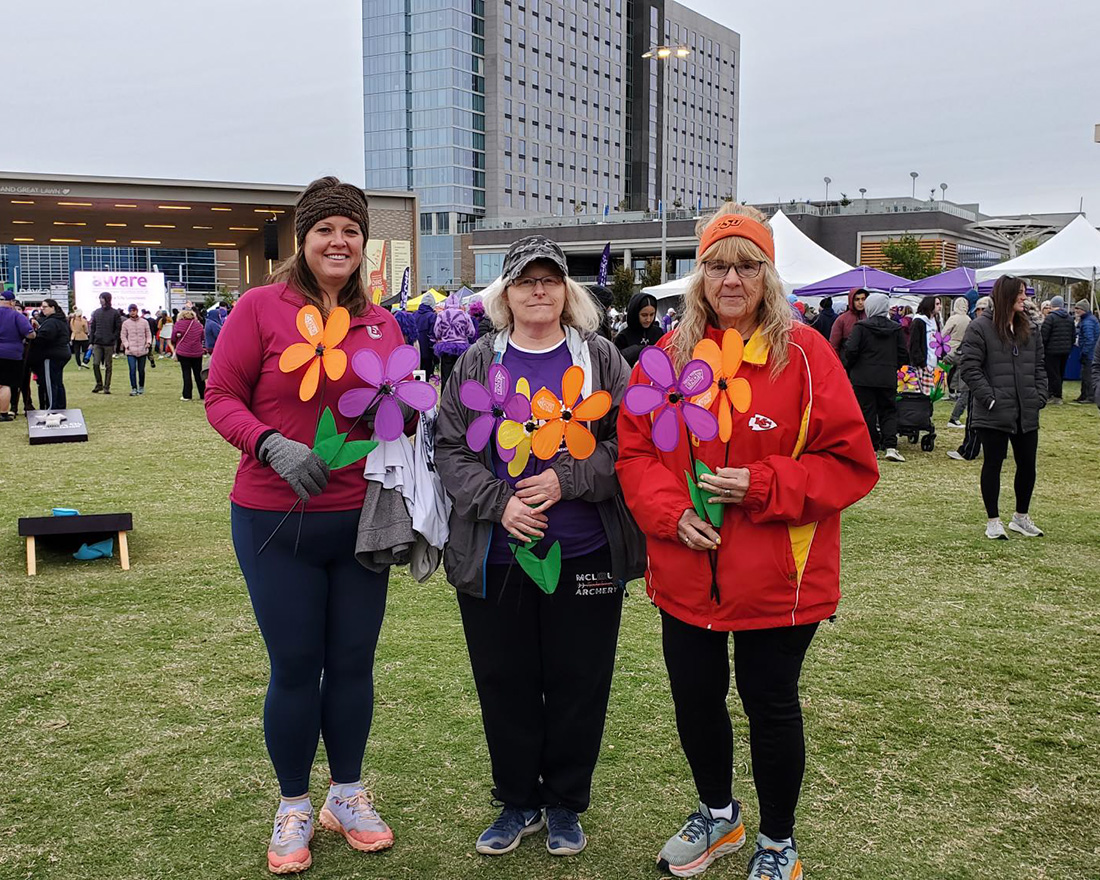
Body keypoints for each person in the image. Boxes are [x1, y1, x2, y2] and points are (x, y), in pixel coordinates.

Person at [617, 205, 878, 880]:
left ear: (768, 275)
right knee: (695, 698)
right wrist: (671, 513)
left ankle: (778, 842)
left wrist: (762, 484)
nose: (731, 279)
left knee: (771, 704)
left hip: (778, 576)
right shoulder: (665, 359)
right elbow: (636, 456)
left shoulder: (806, 356)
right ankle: (718, 816)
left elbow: (851, 463)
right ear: (698, 275)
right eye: (717, 265)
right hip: (687, 568)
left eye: (746, 265)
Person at [206, 176, 406, 874]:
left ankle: (345, 794)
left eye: (351, 229)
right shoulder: (261, 309)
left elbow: (391, 412)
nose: (339, 241)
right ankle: (293, 803)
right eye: (326, 228)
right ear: (303, 237)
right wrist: (268, 443)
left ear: (363, 242)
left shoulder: (381, 322)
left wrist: (409, 407)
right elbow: (220, 396)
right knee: (296, 666)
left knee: (352, 664)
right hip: (273, 523)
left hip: (361, 525)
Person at [435, 234, 645, 860]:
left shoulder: (601, 358)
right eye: (526, 279)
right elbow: (449, 448)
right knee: (505, 680)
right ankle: (517, 800)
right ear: (505, 292)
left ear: (566, 291)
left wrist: (567, 477)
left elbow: (633, 445)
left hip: (586, 554)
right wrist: (500, 504)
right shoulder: (478, 361)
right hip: (497, 557)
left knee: (580, 680)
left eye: (550, 279)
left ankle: (564, 804)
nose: (538, 289)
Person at [958, 276, 1047, 539]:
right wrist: (990, 398)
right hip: (994, 411)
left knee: (1027, 465)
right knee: (993, 464)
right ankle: (993, 520)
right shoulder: (980, 328)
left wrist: (1038, 396)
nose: (1024, 297)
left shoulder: (1029, 328)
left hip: (1025, 410)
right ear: (1006, 295)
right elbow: (970, 368)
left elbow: (1039, 367)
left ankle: (1021, 517)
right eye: (1020, 293)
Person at [843, 292, 908, 462]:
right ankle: (891, 446)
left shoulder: (861, 327)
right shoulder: (895, 328)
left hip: (863, 377)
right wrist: (894, 366)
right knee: (888, 410)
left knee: (866, 411)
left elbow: (851, 350)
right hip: (887, 375)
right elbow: (903, 353)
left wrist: (850, 367)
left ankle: (870, 446)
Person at [947, 296, 990, 460]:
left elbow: (964, 352)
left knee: (975, 415)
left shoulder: (977, 326)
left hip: (977, 377)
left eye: (982, 309)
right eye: (978, 309)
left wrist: (946, 356)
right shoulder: (996, 327)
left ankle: (969, 449)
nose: (980, 312)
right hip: (985, 377)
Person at [29, 298, 71, 411]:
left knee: (50, 383)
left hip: (51, 355)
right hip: (62, 353)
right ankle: (60, 406)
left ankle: (52, 406)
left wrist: (34, 337)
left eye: (45, 307)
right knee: (57, 381)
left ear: (53, 308)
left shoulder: (52, 322)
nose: (42, 309)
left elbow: (44, 337)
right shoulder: (60, 320)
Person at [0, 290, 36, 422]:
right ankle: (3, 413)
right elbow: (30, 334)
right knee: (5, 385)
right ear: (12, 302)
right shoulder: (17, 316)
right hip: (11, 354)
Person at [432, 291, 475, 388]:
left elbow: (436, 332)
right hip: (462, 348)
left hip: (446, 348)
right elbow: (471, 332)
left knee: (446, 376)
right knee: (461, 376)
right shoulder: (464, 315)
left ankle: (445, 399)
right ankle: (459, 399)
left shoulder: (441, 315)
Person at [943, 297, 972, 427]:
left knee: (950, 372)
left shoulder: (953, 319)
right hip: (964, 350)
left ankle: (951, 392)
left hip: (950, 349)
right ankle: (956, 393)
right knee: (960, 375)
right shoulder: (969, 320)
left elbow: (943, 333)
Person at [614, 291, 663, 366]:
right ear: (635, 314)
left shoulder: (658, 333)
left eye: (652, 314)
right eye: (644, 315)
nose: (648, 319)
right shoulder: (623, 337)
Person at [1039, 295, 1073, 404]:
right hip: (1065, 351)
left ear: (1053, 305)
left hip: (1051, 351)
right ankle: (1058, 394)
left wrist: (1042, 348)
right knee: (1060, 373)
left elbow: (1044, 335)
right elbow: (1073, 335)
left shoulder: (1050, 318)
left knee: (1052, 373)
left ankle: (1055, 395)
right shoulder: (1069, 318)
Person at [89, 291, 122, 393]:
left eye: (102, 298)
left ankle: (107, 386)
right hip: (97, 341)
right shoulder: (97, 312)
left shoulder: (115, 313)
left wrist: (113, 338)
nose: (100, 300)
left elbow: (118, 328)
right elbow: (93, 327)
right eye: (100, 298)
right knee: (95, 364)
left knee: (108, 365)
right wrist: (91, 341)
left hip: (109, 342)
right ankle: (99, 384)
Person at [171, 307, 206, 401]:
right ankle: (203, 394)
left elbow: (173, 338)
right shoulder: (198, 325)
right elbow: (202, 337)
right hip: (197, 352)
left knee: (186, 373)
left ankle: (187, 395)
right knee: (198, 373)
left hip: (183, 352)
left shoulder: (179, 324)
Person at [120, 304, 153, 395]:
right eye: (130, 311)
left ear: (137, 311)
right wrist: (127, 345)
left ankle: (141, 386)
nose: (132, 312)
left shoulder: (144, 322)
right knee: (132, 369)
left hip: (142, 349)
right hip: (131, 350)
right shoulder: (126, 323)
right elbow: (123, 335)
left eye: (134, 310)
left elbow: (148, 334)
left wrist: (148, 342)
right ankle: (134, 387)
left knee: (141, 370)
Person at [828, 287, 867, 356]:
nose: (860, 302)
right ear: (851, 301)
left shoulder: (870, 316)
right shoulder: (842, 319)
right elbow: (834, 345)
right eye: (857, 299)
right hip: (847, 362)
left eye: (863, 299)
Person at [1072, 300, 1098, 403]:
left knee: (1088, 375)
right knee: (1084, 374)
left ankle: (1090, 396)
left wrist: (1085, 353)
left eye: (1078, 308)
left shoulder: (1088, 322)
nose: (1076, 310)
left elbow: (1089, 339)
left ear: (1084, 310)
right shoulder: (1088, 320)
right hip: (1089, 352)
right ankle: (1084, 395)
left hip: (1090, 353)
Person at [415, 296, 437, 376]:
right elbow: (433, 334)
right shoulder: (432, 316)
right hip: (427, 351)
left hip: (415, 350)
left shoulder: (414, 314)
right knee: (426, 375)